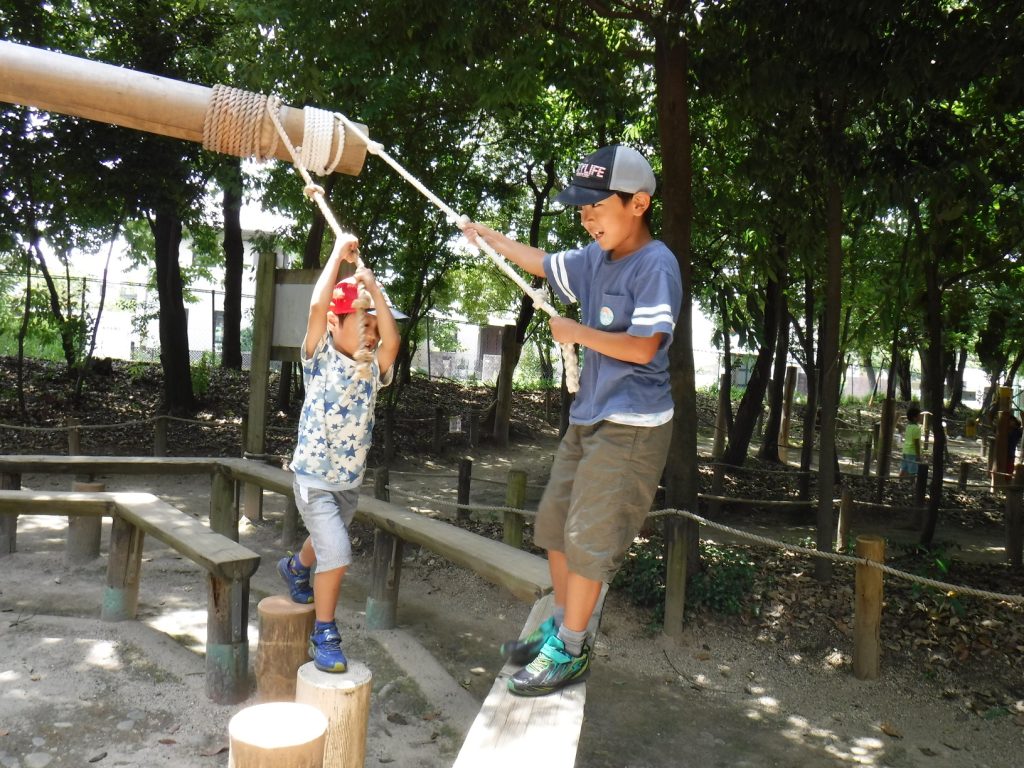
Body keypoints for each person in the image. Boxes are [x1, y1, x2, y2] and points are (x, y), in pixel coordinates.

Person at [462, 144, 682, 697]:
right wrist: (491, 238)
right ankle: (562, 628)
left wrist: (577, 333)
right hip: (589, 415)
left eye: (596, 206)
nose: (586, 218)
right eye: (580, 208)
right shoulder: (592, 258)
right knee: (556, 527)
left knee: (589, 539)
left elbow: (645, 346)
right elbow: (541, 261)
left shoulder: (656, 263)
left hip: (633, 424)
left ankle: (572, 651)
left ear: (638, 203)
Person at [278, 235, 401, 673]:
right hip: (313, 480)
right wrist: (336, 254)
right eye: (360, 321)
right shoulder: (320, 359)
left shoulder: (373, 371)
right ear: (335, 323)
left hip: (348, 483)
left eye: (373, 323)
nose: (371, 329)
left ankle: (295, 567)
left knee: (323, 542)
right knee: (339, 551)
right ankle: (325, 632)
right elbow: (316, 308)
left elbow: (394, 338)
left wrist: (373, 290)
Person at [900, 405, 922, 478]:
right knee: (913, 471)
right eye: (919, 416)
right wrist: (918, 455)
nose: (920, 417)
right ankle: (912, 485)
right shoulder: (916, 428)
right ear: (914, 418)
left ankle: (900, 481)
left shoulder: (908, 426)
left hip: (906, 450)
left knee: (904, 468)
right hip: (912, 452)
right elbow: (916, 443)